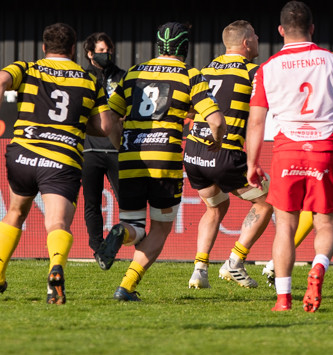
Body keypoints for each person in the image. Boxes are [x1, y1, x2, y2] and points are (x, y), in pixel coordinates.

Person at [0, 23, 119, 304]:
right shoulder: (89, 80)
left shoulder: (27, 68)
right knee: (57, 222)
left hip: (23, 154)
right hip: (61, 158)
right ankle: (55, 269)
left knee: (15, 212)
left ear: (44, 47)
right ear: (74, 49)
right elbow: (104, 126)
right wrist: (76, 124)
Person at [245, 1, 333, 313]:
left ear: (281, 30)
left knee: (284, 226)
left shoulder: (268, 67)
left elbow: (257, 121)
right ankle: (319, 269)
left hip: (287, 151)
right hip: (325, 150)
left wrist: (252, 162)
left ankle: (283, 299)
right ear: (313, 28)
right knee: (326, 224)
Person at [96, 22, 225, 302]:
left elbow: (109, 121)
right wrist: (216, 141)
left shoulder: (133, 73)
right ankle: (126, 286)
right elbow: (215, 120)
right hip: (164, 160)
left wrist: (123, 144)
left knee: (135, 227)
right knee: (160, 227)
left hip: (130, 157)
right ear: (185, 47)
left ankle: (121, 234)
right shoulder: (190, 75)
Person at [184, 20, 272, 290]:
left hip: (193, 152)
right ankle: (235, 261)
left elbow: (189, 111)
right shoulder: (254, 73)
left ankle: (199, 269)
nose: (258, 40)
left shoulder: (205, 69)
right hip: (223, 151)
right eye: (255, 36)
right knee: (268, 202)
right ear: (246, 43)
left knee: (215, 206)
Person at [81, 32, 124, 256]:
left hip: (117, 149)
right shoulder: (83, 77)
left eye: (108, 50)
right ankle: (98, 249)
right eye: (100, 51)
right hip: (90, 149)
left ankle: (131, 240)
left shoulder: (123, 76)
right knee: (92, 203)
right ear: (89, 53)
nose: (106, 54)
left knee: (126, 200)